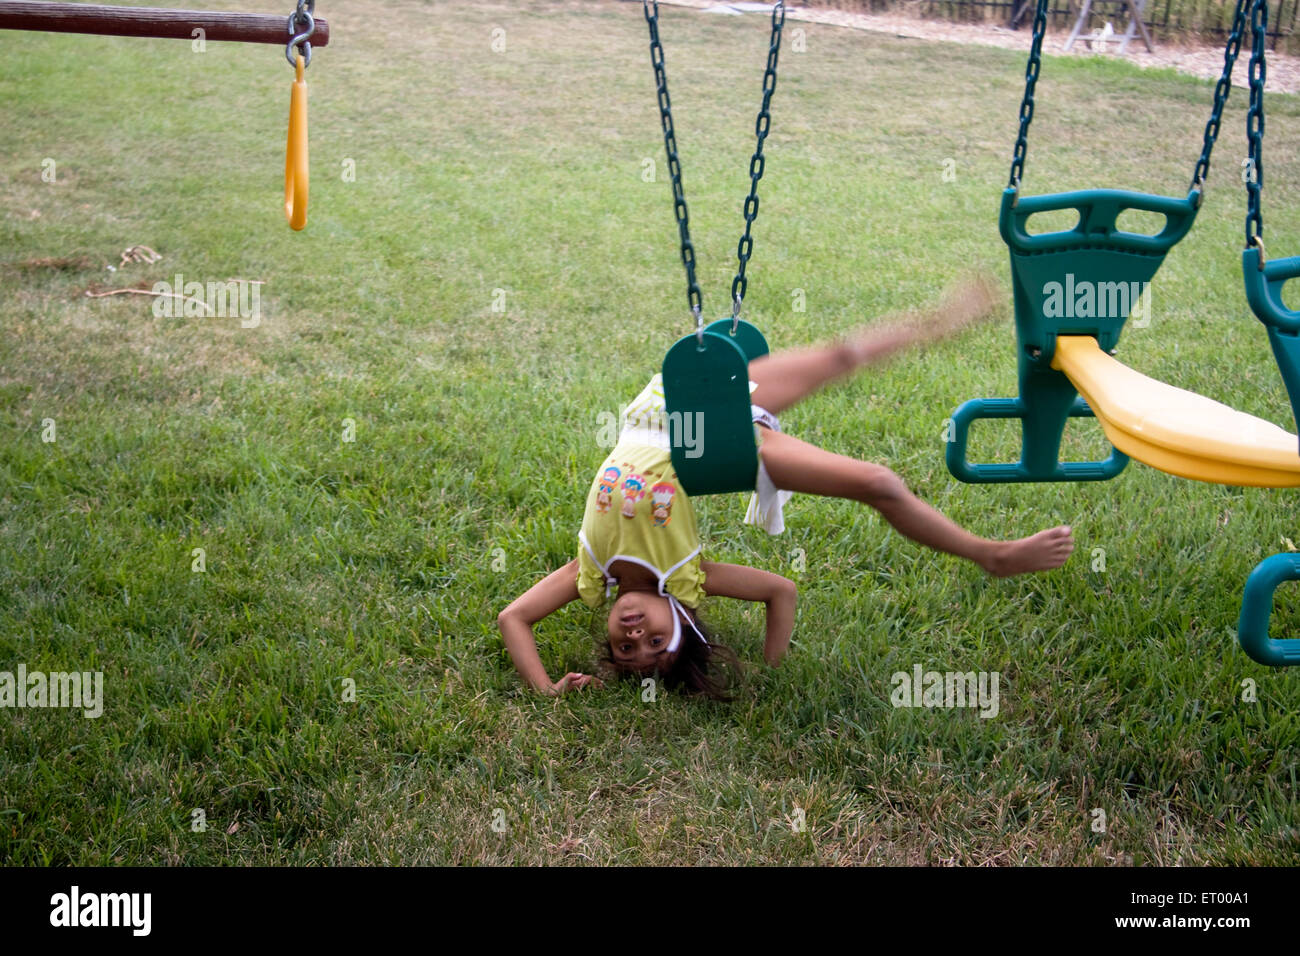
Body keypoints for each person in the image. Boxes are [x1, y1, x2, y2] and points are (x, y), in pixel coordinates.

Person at [497, 278, 1074, 698]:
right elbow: (781, 591)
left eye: (627, 649)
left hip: (667, 405)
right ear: (681, 618)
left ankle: (938, 322)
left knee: (842, 355)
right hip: (721, 447)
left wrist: (545, 687)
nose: (635, 636)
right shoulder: (691, 579)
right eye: (655, 643)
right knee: (876, 481)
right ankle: (990, 554)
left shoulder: (589, 574)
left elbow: (513, 619)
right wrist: (772, 668)